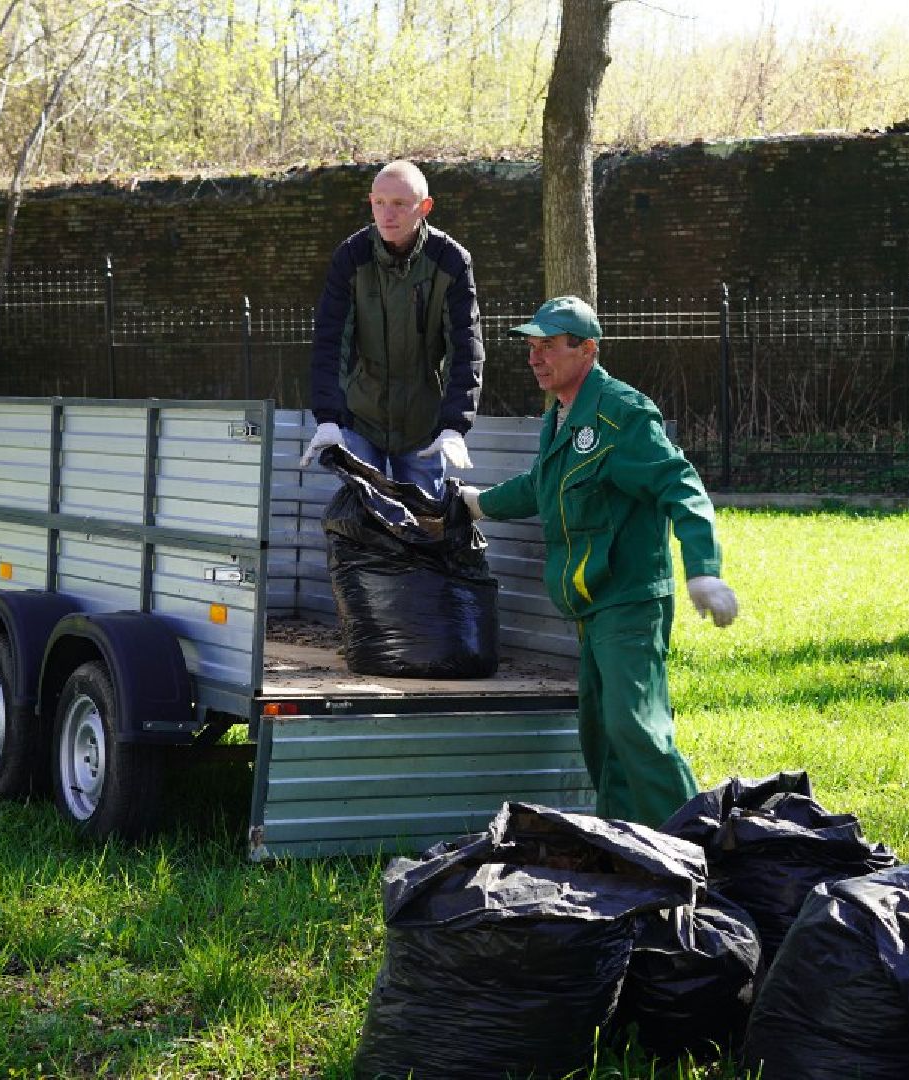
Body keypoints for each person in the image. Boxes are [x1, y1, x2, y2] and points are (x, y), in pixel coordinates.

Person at [459, 296, 740, 828]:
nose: (535, 357)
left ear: (587, 349)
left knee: (636, 728)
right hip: (590, 607)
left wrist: (703, 568)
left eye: (549, 346)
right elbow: (543, 485)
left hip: (629, 602)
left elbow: (682, 487)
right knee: (601, 736)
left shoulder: (622, 414)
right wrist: (478, 503)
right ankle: (629, 843)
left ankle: (697, 843)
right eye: (532, 346)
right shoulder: (562, 413)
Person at [300, 160, 485, 499]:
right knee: (363, 525)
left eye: (400, 204)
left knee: (424, 526)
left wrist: (454, 426)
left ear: (424, 207)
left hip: (421, 424)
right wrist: (328, 417)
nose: (388, 214)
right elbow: (330, 341)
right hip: (361, 418)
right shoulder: (351, 257)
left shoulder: (451, 261)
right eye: (379, 203)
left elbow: (466, 347)